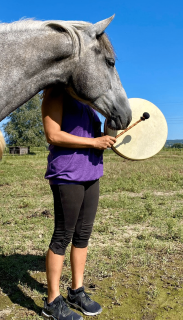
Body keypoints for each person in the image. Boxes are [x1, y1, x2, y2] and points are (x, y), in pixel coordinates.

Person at [41, 87, 116, 320]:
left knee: (83, 234)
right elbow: (53, 135)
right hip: (67, 174)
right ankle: (52, 301)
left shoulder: (88, 102)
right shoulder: (55, 94)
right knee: (63, 235)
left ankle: (76, 291)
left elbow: (101, 134)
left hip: (92, 173)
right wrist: (94, 143)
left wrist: (112, 122)